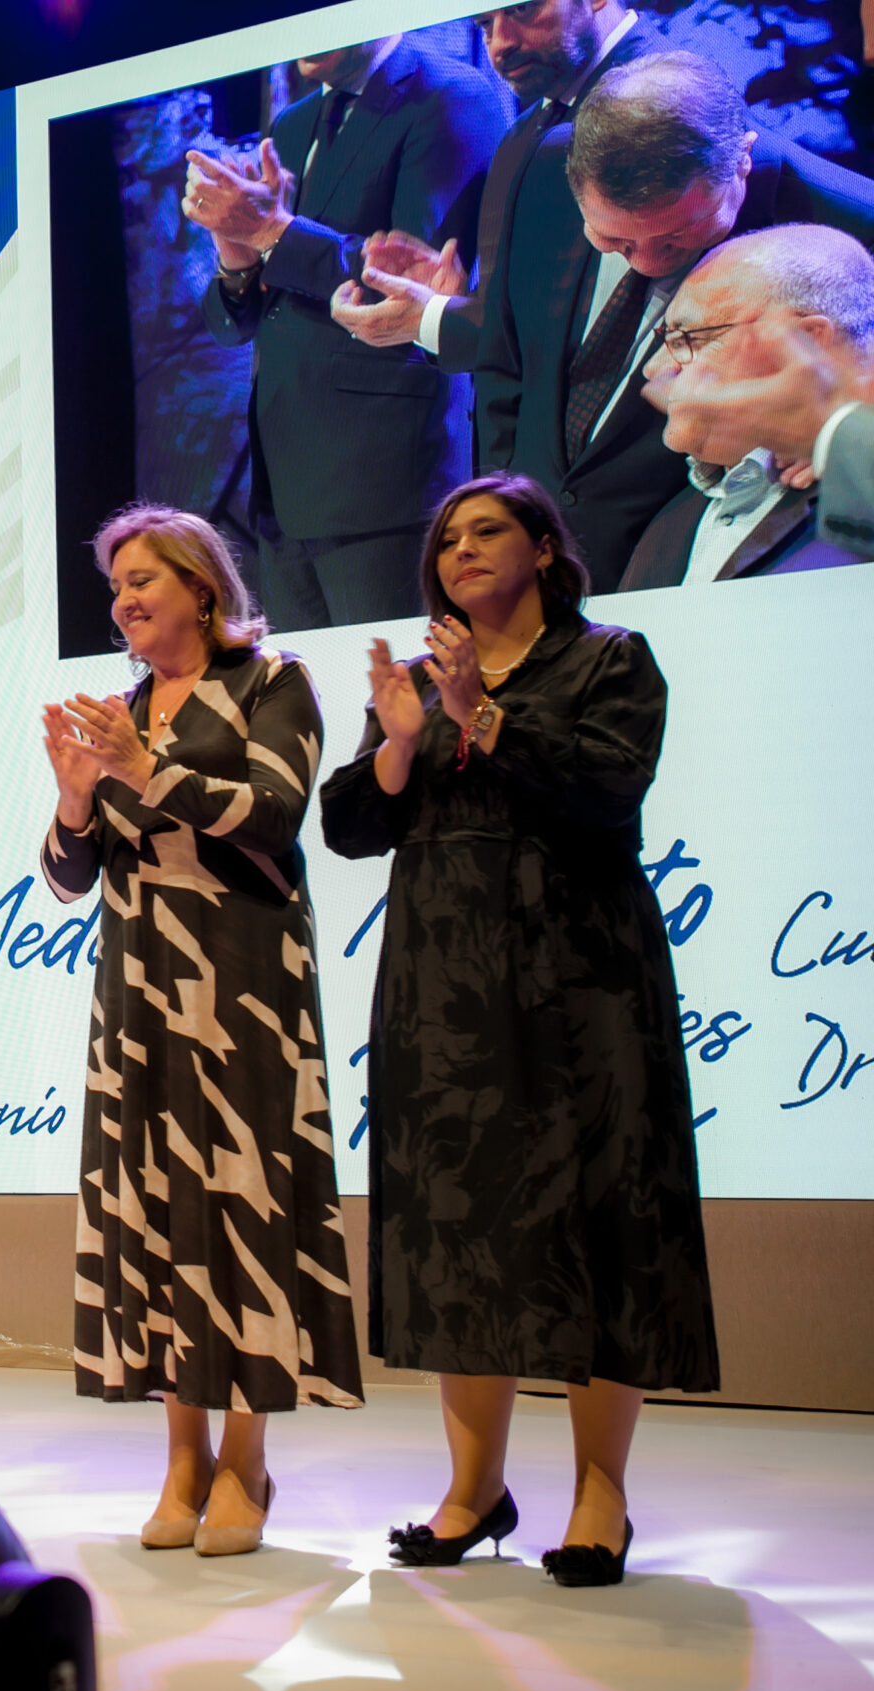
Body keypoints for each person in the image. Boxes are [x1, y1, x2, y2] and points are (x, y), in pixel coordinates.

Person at [321, 473, 720, 1589]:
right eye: (447, 538)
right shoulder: (412, 683)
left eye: (487, 530)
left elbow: (608, 788)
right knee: (458, 1226)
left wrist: (480, 717)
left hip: (582, 976)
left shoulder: (610, 659)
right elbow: (349, 826)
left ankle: (600, 1494)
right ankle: (471, 1490)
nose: (460, 550)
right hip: (442, 986)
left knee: (602, 1217)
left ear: (545, 548)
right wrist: (397, 743)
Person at [38, 509, 363, 1558]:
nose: (124, 599)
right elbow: (66, 877)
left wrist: (145, 772)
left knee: (242, 1201)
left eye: (143, 578)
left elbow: (274, 815)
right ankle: (181, 1456)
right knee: (158, 1208)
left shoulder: (272, 682)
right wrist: (75, 801)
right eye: (116, 585)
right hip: (138, 989)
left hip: (244, 984)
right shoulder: (123, 710)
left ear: (202, 585)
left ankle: (245, 1460)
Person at [478, 52, 874, 589]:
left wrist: (835, 423)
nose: (646, 263)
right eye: (614, 240)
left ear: (741, 161)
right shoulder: (544, 166)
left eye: (675, 238)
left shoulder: (855, 220)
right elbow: (508, 362)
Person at [188, 32, 506, 628]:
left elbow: (414, 275)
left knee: (401, 682)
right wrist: (236, 258)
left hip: (385, 483)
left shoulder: (451, 95)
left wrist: (271, 233)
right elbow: (244, 321)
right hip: (283, 487)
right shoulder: (293, 122)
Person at [332, 1, 658, 411]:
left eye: (521, 10)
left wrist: (432, 319)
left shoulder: (662, 100)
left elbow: (594, 336)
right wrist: (455, 304)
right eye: (485, 23)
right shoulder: (522, 133)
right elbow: (534, 317)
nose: (499, 43)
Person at [622, 223, 874, 586]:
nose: (653, 368)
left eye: (685, 338)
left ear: (808, 341)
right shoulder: (668, 524)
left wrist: (831, 433)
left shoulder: (856, 487)